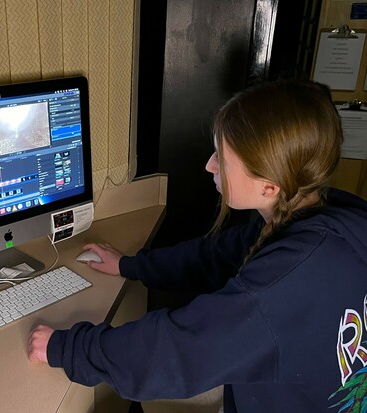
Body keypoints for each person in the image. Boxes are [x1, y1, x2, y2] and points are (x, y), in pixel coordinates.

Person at [27, 79, 367, 413]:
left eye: (222, 156)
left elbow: (179, 350)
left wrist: (64, 347)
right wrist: (131, 265)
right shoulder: (322, 216)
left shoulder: (288, 281)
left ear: (268, 185)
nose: (209, 165)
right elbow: (214, 256)